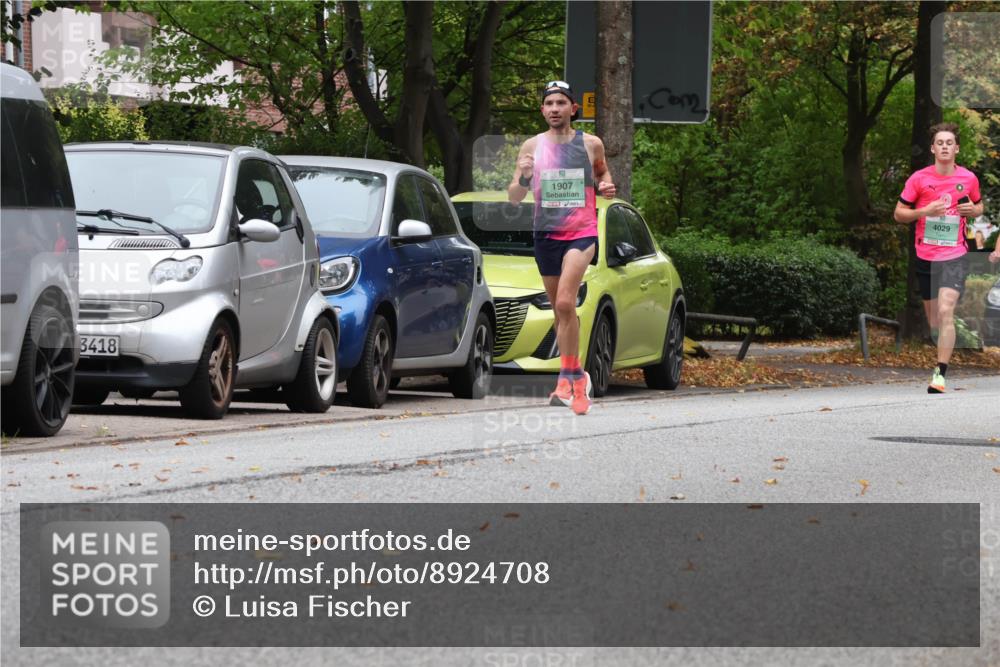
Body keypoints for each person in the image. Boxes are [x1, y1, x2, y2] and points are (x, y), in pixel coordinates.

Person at [508, 80, 616, 415]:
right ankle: (571, 374)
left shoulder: (590, 143)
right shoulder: (532, 145)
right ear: (542, 110)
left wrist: (605, 186)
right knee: (560, 309)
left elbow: (602, 175)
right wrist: (524, 177)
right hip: (546, 234)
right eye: (549, 103)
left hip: (581, 232)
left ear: (573, 109)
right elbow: (514, 197)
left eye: (561, 103)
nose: (555, 109)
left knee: (567, 301)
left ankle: (573, 378)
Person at [894, 122, 985, 393]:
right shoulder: (918, 179)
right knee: (935, 321)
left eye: (949, 143)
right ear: (933, 148)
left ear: (956, 148)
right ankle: (945, 344)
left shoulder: (968, 178)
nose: (945, 146)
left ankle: (940, 374)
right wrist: (925, 212)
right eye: (940, 143)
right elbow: (898, 214)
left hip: (955, 255)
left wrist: (973, 209)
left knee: (946, 311)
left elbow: (978, 205)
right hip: (925, 255)